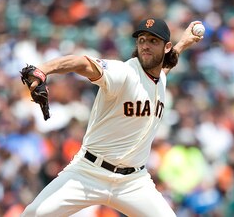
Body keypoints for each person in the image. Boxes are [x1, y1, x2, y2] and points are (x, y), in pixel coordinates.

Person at [21, 18, 203, 217]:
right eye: (142, 40)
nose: (146, 46)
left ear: (166, 47)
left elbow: (162, 68)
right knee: (33, 214)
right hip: (89, 172)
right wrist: (43, 70)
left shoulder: (160, 79)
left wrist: (184, 43)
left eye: (153, 41)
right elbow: (81, 63)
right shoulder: (122, 72)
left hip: (134, 182)